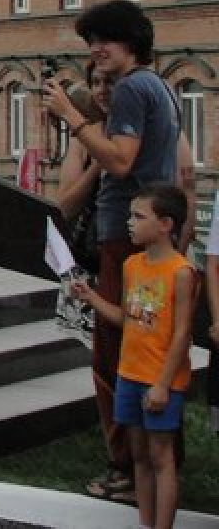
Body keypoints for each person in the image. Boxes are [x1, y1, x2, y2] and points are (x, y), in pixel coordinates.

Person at [44, 0, 181, 504]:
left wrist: (73, 120)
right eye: (90, 43)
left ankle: (125, 468)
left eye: (103, 40)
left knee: (113, 356)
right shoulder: (160, 87)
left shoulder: (130, 90)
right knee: (143, 347)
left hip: (125, 241)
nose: (96, 51)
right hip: (147, 239)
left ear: (130, 42)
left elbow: (121, 162)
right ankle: (149, 463)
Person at [72, 185, 197, 529]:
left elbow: (182, 334)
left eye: (139, 217)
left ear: (165, 224)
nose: (129, 223)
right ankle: (144, 523)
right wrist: (92, 298)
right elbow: (130, 319)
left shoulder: (181, 272)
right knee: (139, 456)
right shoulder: (131, 265)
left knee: (161, 457)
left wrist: (162, 385)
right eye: (130, 215)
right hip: (129, 373)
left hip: (161, 380)